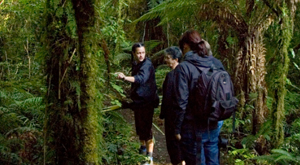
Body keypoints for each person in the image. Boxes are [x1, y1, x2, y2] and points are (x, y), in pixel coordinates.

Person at [173, 30, 225, 165]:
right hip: (213, 123)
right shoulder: (216, 63)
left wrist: (177, 128)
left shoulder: (184, 68)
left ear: (185, 46)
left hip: (192, 126)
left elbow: (181, 102)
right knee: (213, 160)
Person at [117, 43, 158, 165]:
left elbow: (140, 79)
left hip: (147, 102)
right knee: (140, 129)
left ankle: (149, 157)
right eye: (138, 53)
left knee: (147, 129)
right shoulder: (137, 64)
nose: (141, 55)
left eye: (143, 53)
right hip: (139, 101)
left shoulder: (147, 65)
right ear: (134, 54)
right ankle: (142, 151)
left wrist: (124, 77)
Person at [199, 40, 224, 165]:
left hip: (204, 115)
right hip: (219, 113)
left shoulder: (199, 66)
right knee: (213, 146)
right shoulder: (218, 63)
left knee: (201, 149)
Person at [159, 46, 185, 165]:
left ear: (176, 59)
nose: (166, 60)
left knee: (176, 149)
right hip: (175, 117)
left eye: (168, 58)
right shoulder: (173, 74)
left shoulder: (175, 75)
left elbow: (173, 99)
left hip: (175, 118)